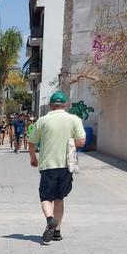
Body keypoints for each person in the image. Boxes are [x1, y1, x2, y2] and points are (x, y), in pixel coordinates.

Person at [28, 92, 86, 244]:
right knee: (59, 198)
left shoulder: (42, 121)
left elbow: (32, 142)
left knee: (46, 197)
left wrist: (33, 158)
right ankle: (57, 232)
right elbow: (81, 142)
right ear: (66, 105)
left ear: (50, 105)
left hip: (48, 165)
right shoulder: (74, 120)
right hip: (67, 165)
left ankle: (49, 219)